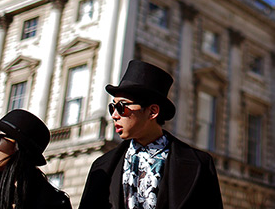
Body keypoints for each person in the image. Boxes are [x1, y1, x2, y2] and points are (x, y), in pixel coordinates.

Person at [79, 59, 224, 209]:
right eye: (112, 108)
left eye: (122, 107)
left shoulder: (199, 164)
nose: (115, 115)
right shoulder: (102, 166)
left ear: (152, 111)